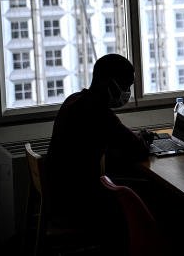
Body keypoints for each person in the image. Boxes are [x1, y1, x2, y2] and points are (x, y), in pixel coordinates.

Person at [45, 53, 150, 253]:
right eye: (125, 86)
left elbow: (113, 141)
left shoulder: (74, 100)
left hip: (62, 194)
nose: (127, 93)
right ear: (110, 84)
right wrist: (142, 139)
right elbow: (138, 150)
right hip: (79, 204)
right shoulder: (99, 113)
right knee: (150, 192)